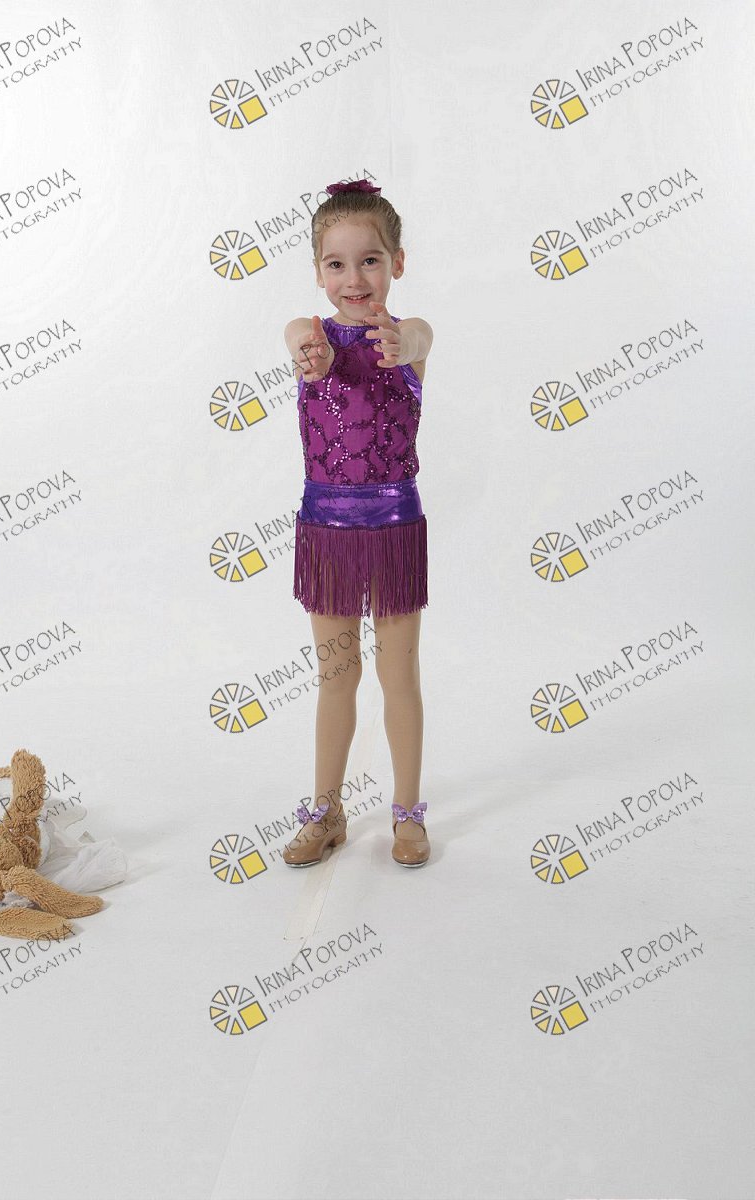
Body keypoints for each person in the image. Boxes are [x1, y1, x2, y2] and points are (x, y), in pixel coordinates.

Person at [282, 178, 434, 869]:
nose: (354, 278)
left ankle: (407, 811)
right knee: (336, 676)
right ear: (319, 273)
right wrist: (308, 355)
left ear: (397, 262)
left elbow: (419, 334)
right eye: (337, 264)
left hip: (395, 530)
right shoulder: (308, 336)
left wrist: (403, 343)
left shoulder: (412, 338)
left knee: (398, 675)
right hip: (328, 533)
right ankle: (326, 810)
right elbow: (298, 342)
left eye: (370, 260)